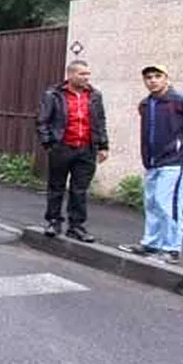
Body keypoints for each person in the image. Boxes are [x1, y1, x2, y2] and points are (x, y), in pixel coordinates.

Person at [118, 64, 183, 265]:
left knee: (168, 205)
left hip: (175, 163)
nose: (152, 80)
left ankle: (171, 249)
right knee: (152, 204)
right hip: (153, 163)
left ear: (166, 78)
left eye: (157, 76)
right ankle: (151, 244)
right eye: (148, 77)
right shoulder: (146, 104)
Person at [36, 60, 108, 242]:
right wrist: (48, 144)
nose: (86, 77)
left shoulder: (94, 95)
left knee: (80, 189)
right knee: (56, 186)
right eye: (82, 74)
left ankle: (76, 226)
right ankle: (53, 221)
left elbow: (100, 121)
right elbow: (42, 120)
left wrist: (103, 145)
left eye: (87, 74)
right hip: (62, 147)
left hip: (86, 148)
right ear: (70, 75)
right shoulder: (53, 95)